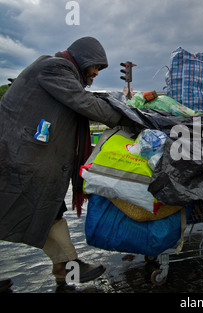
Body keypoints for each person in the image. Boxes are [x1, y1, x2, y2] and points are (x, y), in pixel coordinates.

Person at [0, 36, 137, 290]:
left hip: (23, 158)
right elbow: (84, 103)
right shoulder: (54, 68)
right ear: (83, 58)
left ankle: (65, 266)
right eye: (96, 66)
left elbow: (86, 98)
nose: (95, 73)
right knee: (30, 208)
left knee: (48, 209)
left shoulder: (59, 72)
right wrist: (130, 119)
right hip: (14, 157)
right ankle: (65, 266)